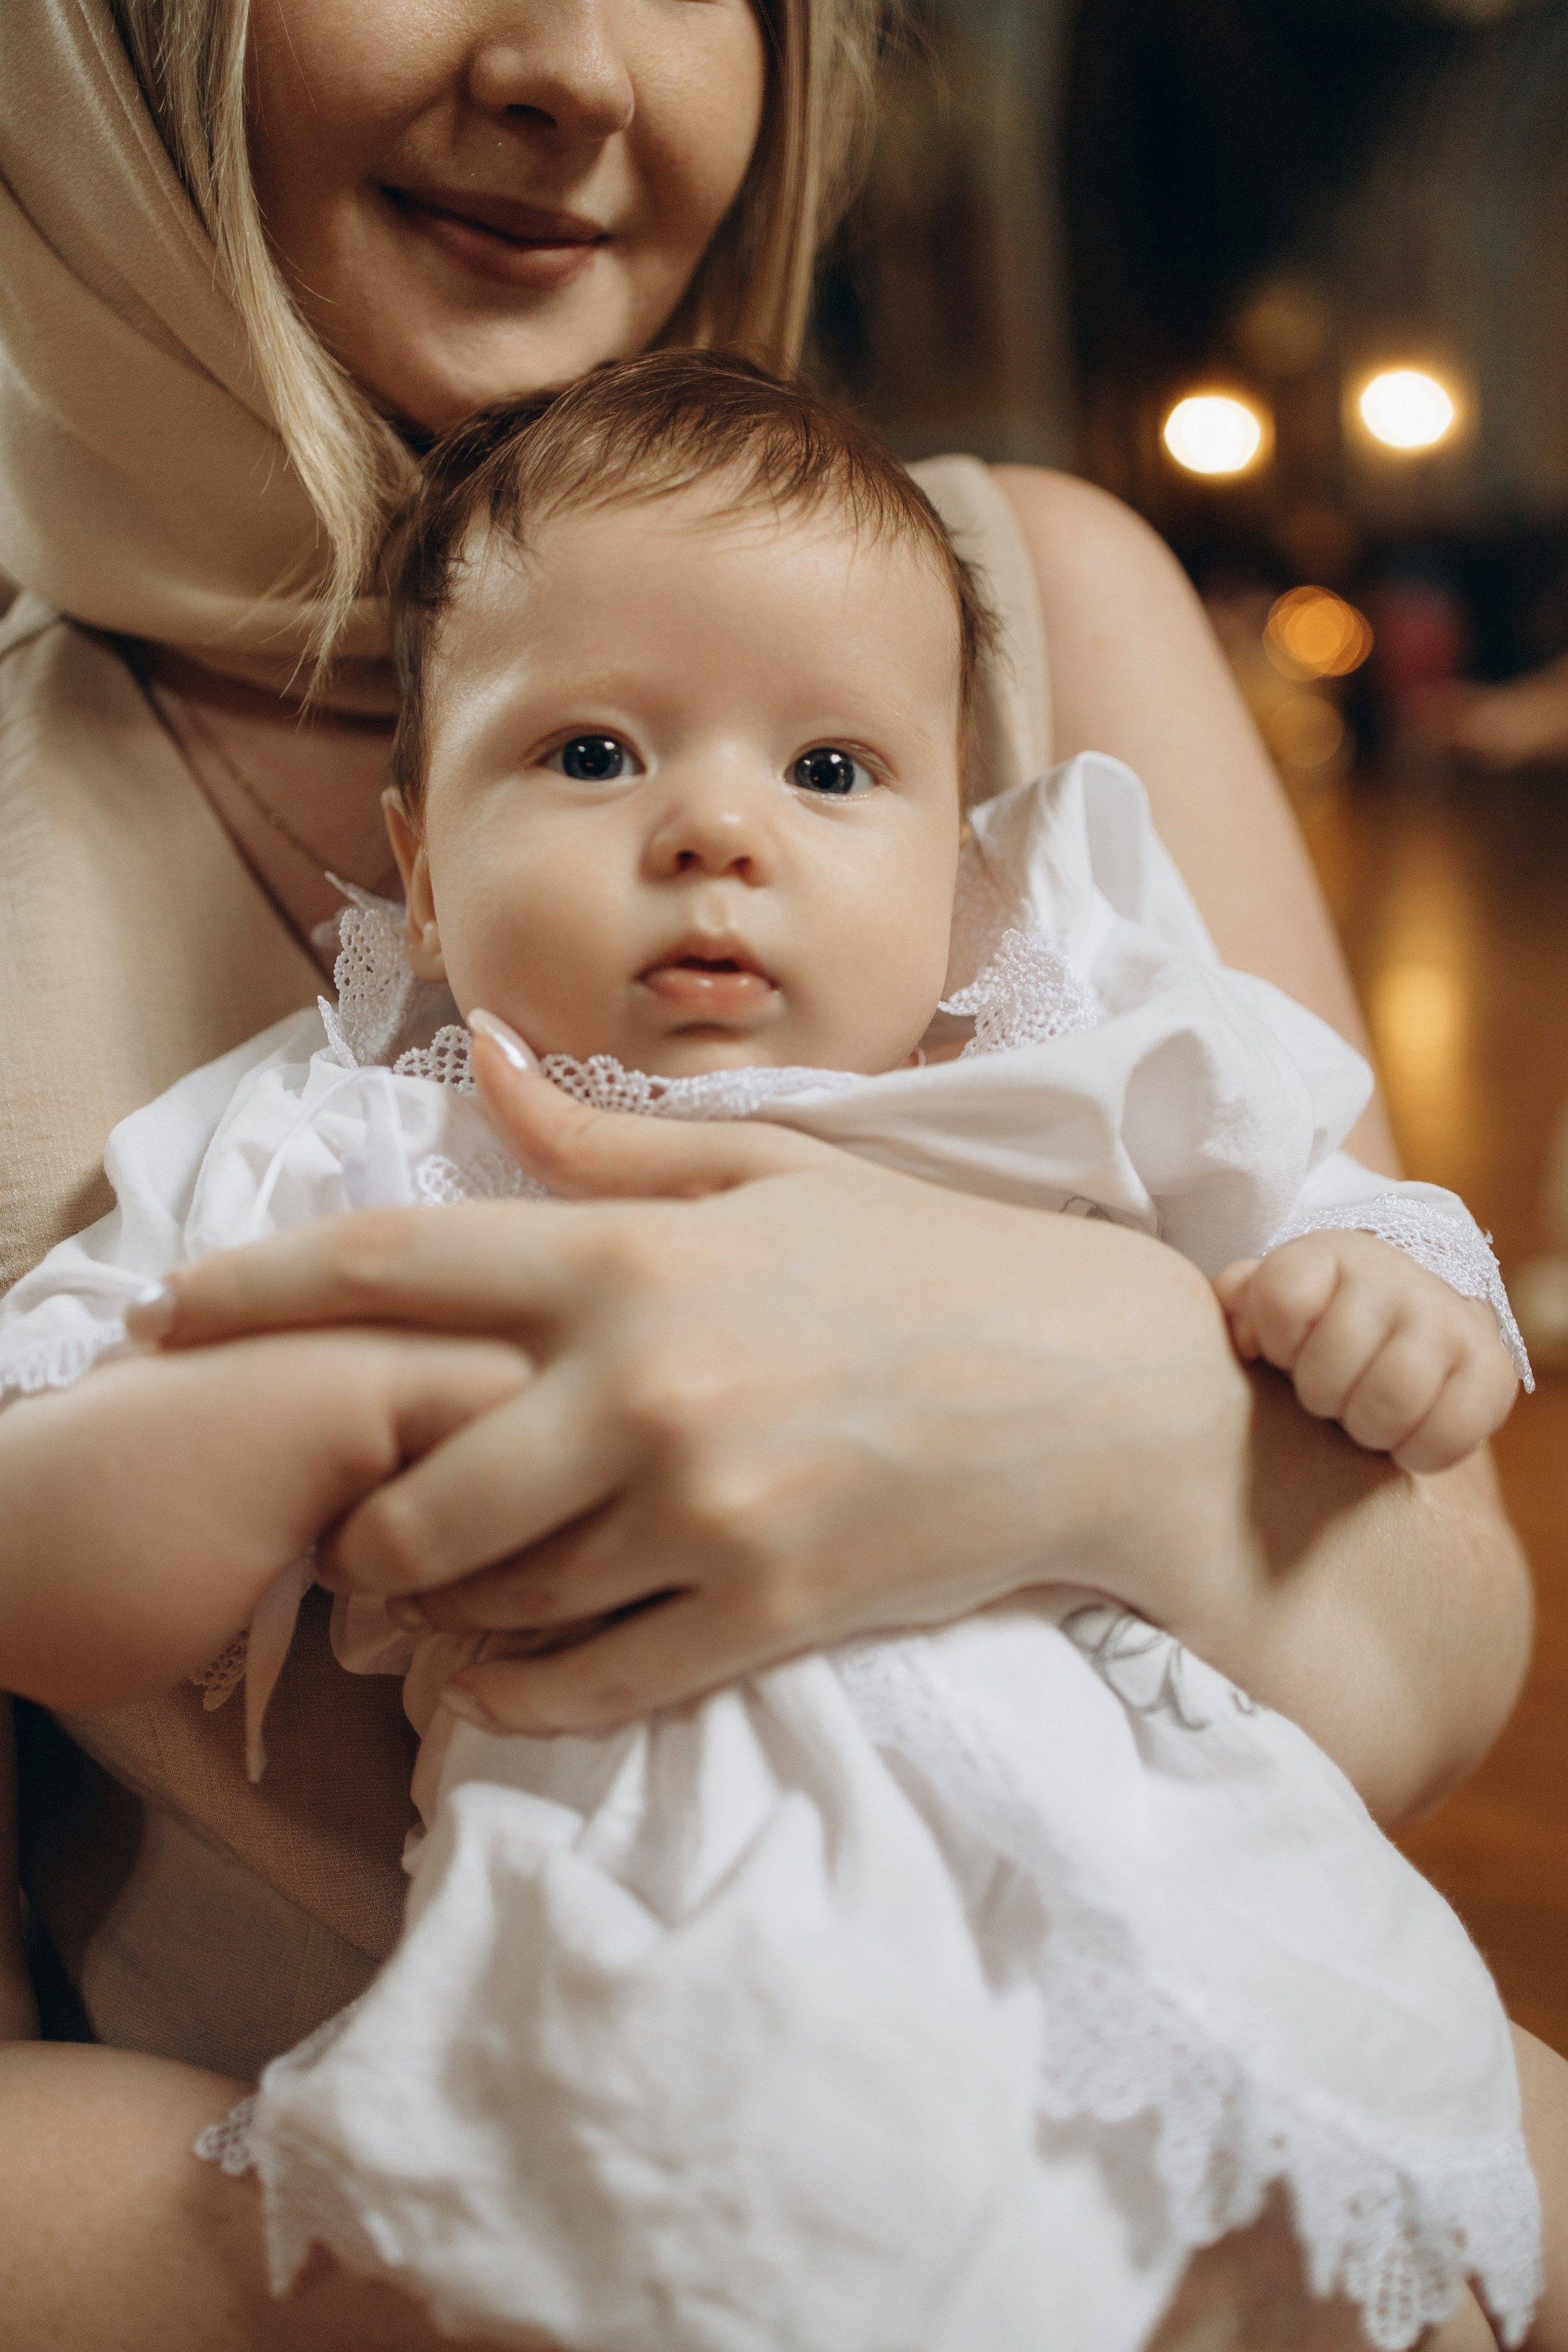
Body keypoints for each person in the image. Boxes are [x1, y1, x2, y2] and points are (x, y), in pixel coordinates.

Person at [0, 4, 1545, 2347]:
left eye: (834, 772)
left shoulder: (1029, 773)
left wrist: (1199, 1363)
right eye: (589, 752)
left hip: (1203, 2052)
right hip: (550, 2161)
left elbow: (1430, 1591)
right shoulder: (344, 1133)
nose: (576, 67)